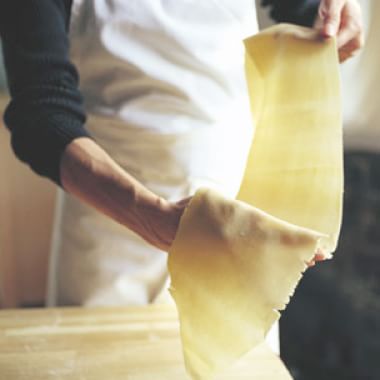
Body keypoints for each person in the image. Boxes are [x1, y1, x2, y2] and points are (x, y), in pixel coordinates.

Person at [0, 0, 363, 308]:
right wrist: (150, 216)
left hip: (232, 220)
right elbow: (42, 117)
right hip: (110, 226)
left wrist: (333, 13)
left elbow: (301, 8)